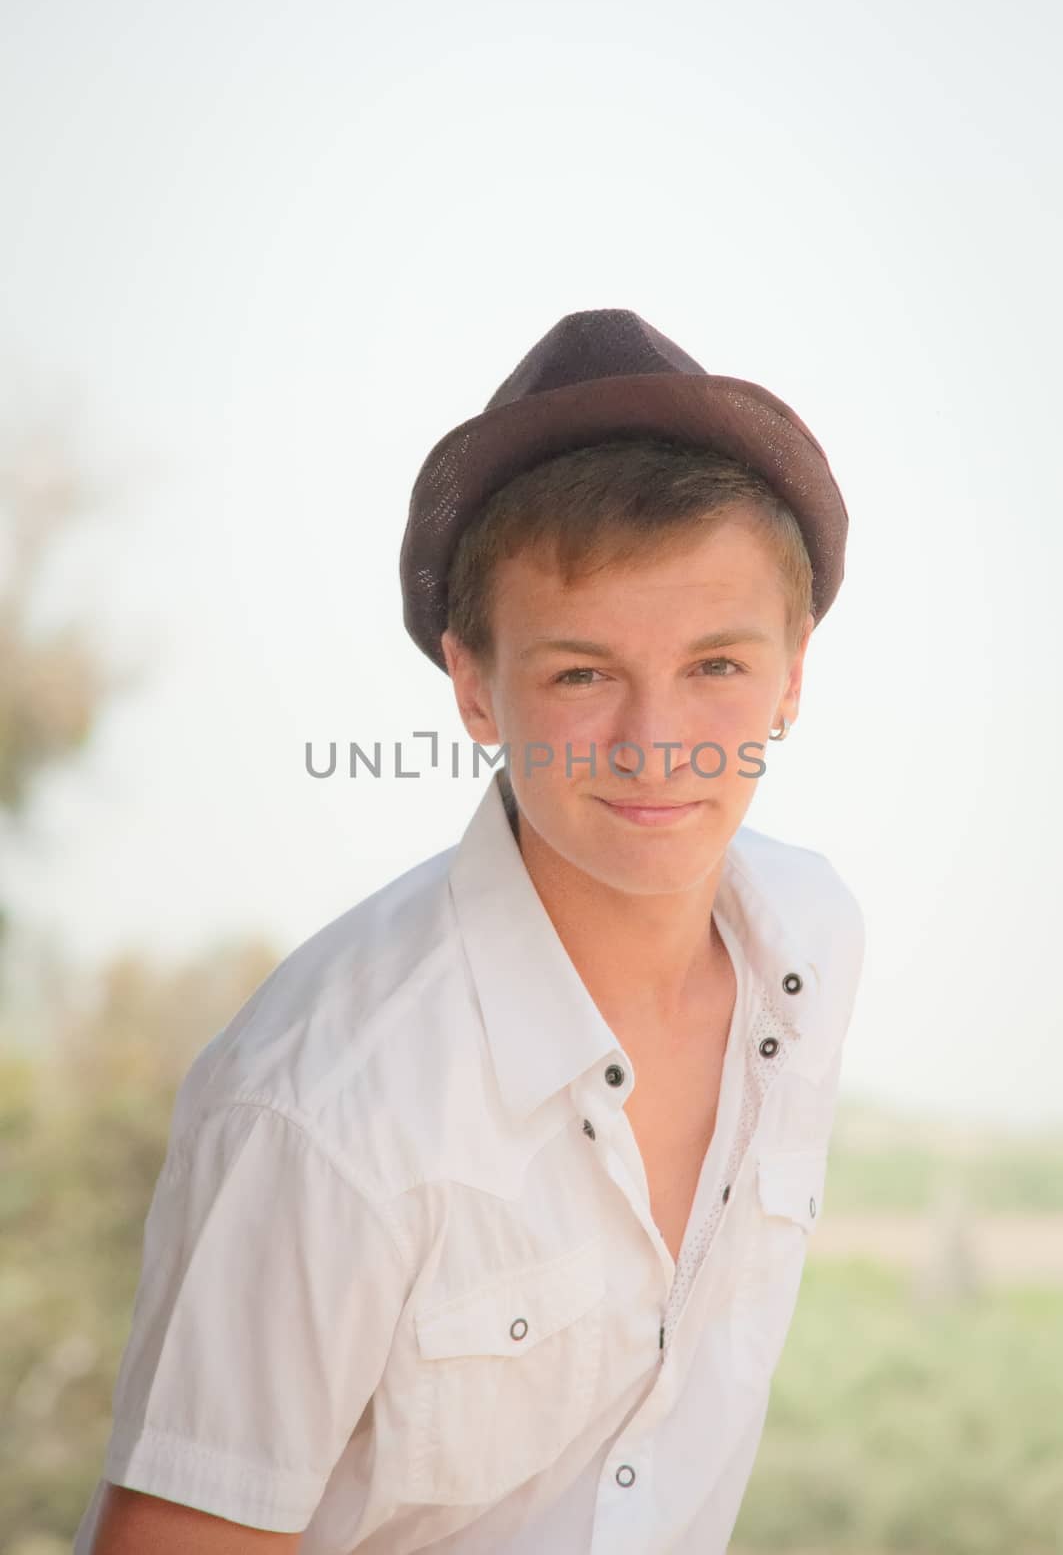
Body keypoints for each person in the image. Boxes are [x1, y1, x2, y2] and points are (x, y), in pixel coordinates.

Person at [75, 308, 866, 1554]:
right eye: (581, 674)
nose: (657, 741)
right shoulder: (325, 1111)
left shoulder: (809, 951)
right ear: (474, 688)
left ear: (794, 671)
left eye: (716, 664)